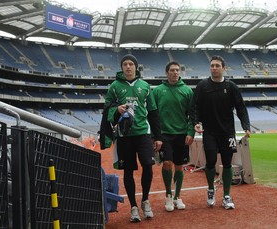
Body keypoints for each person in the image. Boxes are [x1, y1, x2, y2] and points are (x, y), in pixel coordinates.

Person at [104, 54, 162, 222]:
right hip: (124, 135)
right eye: (125, 64)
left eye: (131, 64)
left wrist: (157, 136)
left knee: (148, 165)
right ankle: (133, 207)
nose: (128, 67)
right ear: (121, 68)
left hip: (143, 133)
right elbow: (107, 108)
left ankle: (145, 200)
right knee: (128, 171)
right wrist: (117, 110)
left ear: (136, 67)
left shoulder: (145, 86)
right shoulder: (115, 86)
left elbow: (153, 112)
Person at [191, 55, 251, 210]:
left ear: (224, 68)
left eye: (217, 65)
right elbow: (195, 106)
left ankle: (226, 195)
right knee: (210, 162)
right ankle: (211, 189)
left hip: (227, 132)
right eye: (212, 65)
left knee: (227, 163)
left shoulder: (231, 87)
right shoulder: (202, 86)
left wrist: (246, 126)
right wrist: (196, 123)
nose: (214, 68)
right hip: (209, 131)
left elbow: (241, 108)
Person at [152, 61, 195, 212]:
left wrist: (190, 132)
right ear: (167, 72)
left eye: (177, 70)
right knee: (167, 163)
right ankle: (168, 195)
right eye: (172, 70)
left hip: (182, 134)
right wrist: (155, 136)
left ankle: (177, 196)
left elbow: (192, 114)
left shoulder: (187, 91)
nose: (175, 72)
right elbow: (153, 115)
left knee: (179, 166)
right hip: (164, 135)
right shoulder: (157, 91)